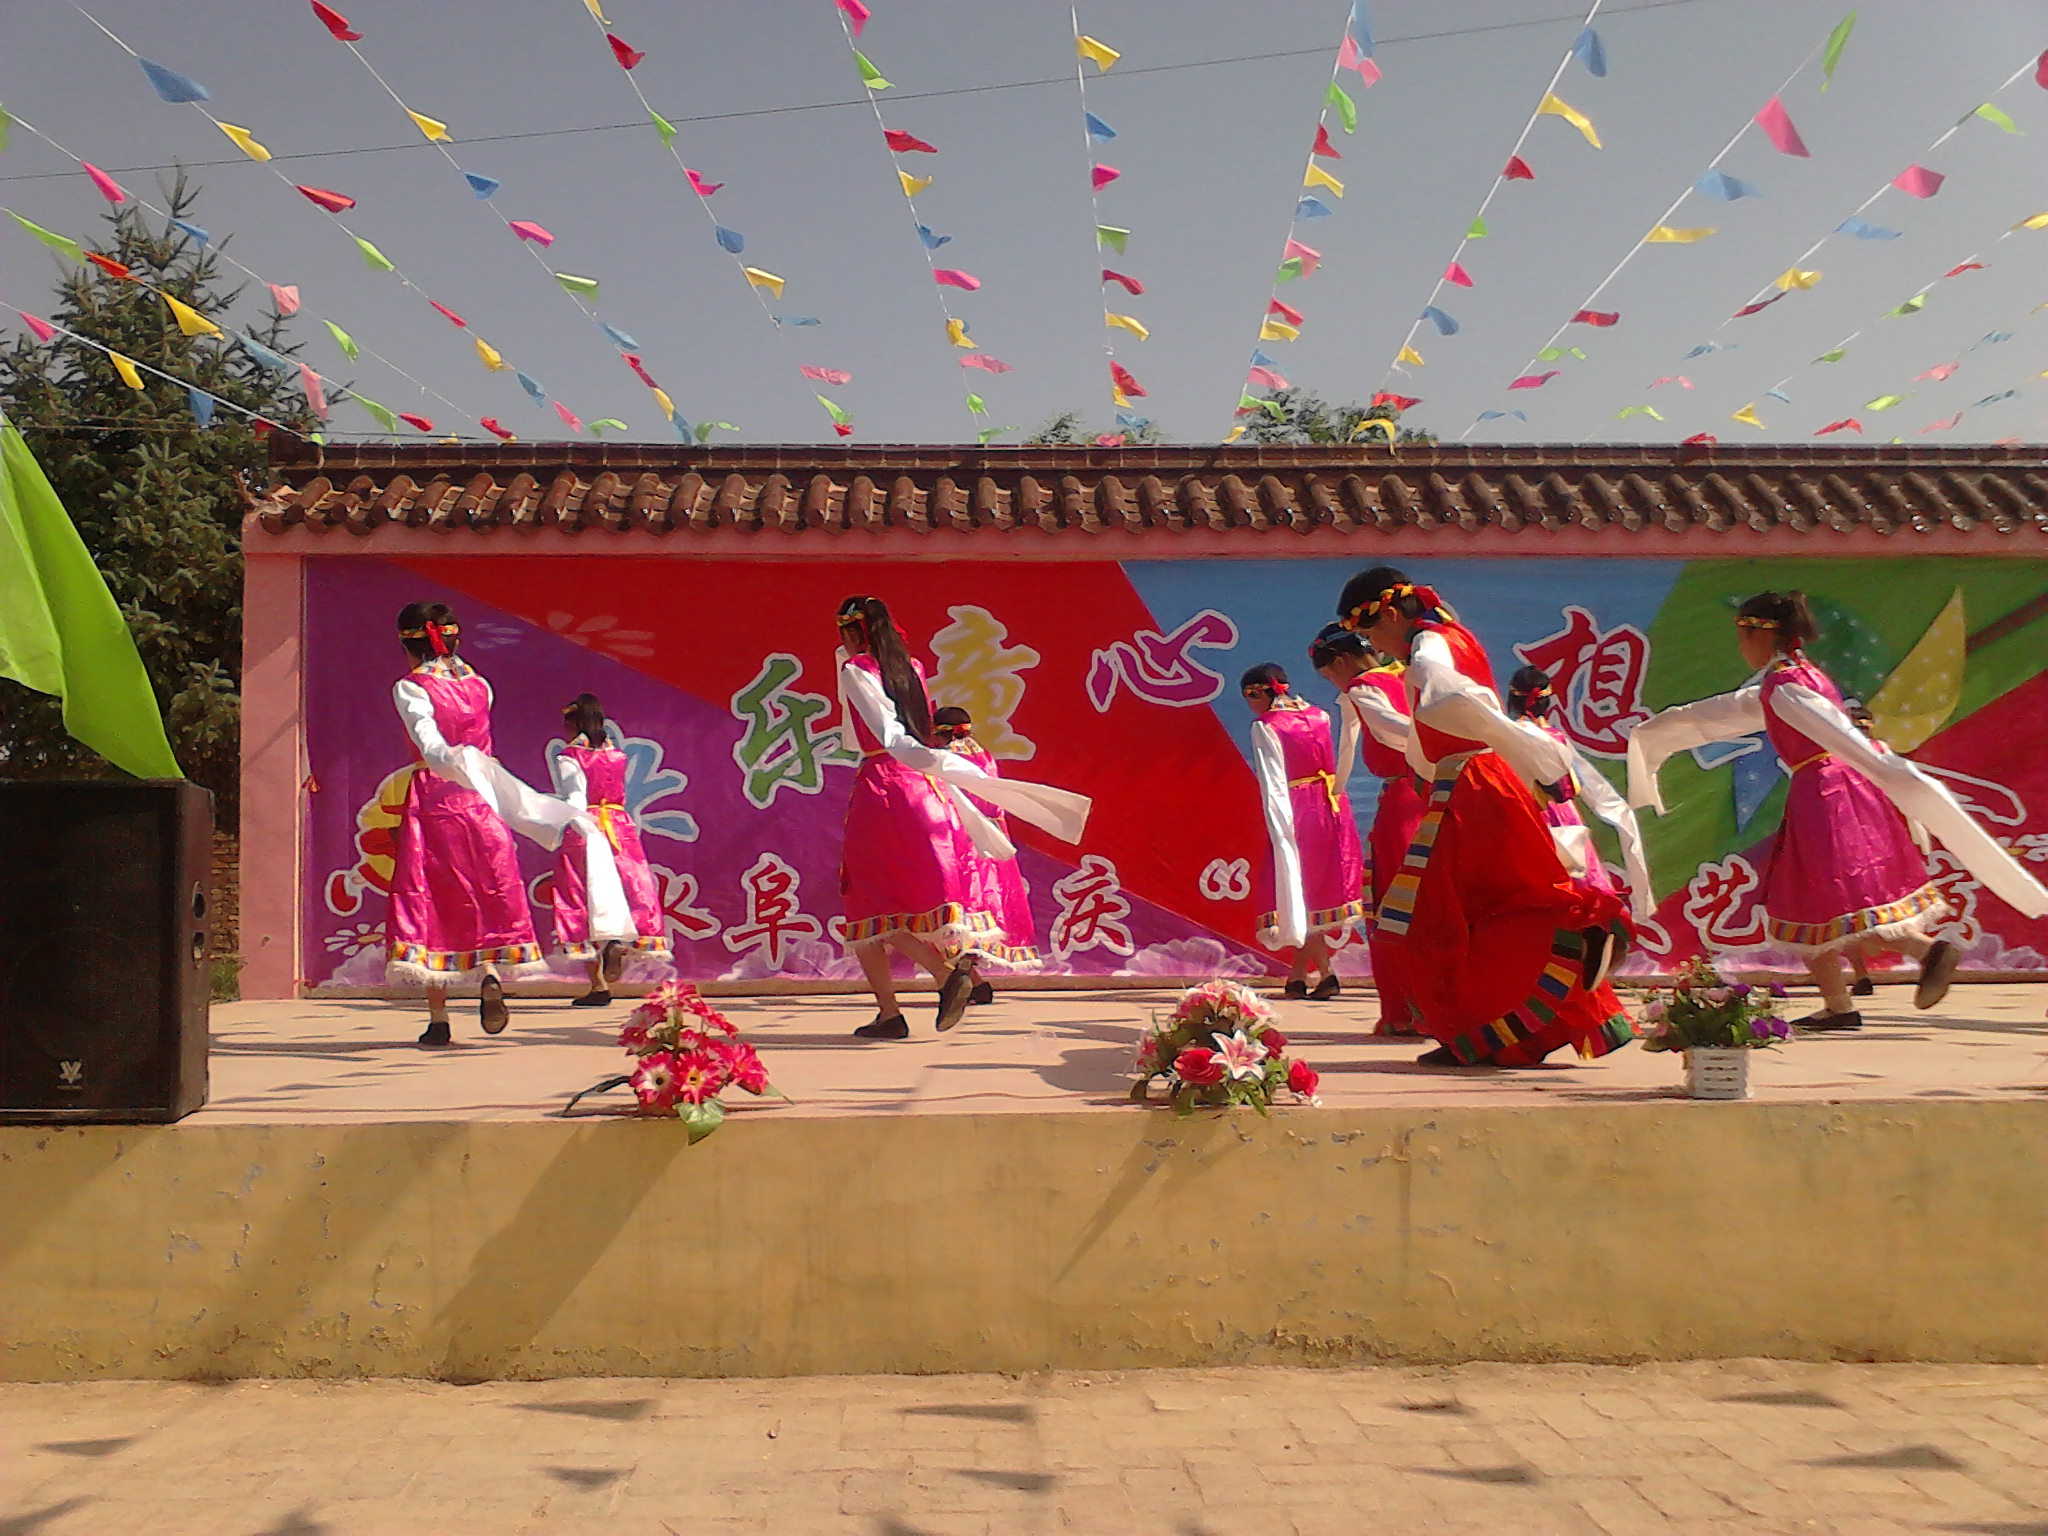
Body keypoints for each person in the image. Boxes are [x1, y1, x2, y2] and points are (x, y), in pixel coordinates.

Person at [1625, 590, 2048, 1031]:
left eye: (1743, 637)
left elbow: (1835, 733)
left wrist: (1888, 770)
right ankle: (1868, 987)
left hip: (1826, 796)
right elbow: (1726, 712)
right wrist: (1660, 732)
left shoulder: (1787, 686)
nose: (1741, 647)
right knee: (1823, 904)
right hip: (1836, 790)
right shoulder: (1798, 678)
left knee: (1811, 902)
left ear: (1761, 636)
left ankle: (1903, 966)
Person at [1335, 567, 1637, 1068]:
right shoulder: (1452, 637)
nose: (1376, 647)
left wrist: (1525, 748)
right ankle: (1507, 1034)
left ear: (1388, 615)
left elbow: (1451, 697)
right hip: (1474, 782)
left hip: (1474, 787)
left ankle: (1572, 938)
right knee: (1483, 909)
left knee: (1451, 916)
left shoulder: (1430, 645)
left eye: (1369, 633)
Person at [834, 596, 1091, 1039]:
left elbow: (889, 733)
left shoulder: (857, 669)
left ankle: (922, 990)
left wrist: (924, 757)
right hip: (926, 787)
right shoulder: (912, 667)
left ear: (852, 631)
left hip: (887, 786)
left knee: (864, 901)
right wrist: (936, 762)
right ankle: (911, 998)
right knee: (889, 905)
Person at [387, 602, 626, 1047]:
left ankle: (438, 1019)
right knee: (488, 889)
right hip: (486, 796)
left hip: (437, 797)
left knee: (432, 896)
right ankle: (490, 976)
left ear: (407, 644)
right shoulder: (480, 685)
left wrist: (451, 761)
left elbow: (429, 743)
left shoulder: (410, 688)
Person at [1310, 622, 1426, 1034]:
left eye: (1330, 675)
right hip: (1432, 789)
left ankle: (1406, 1009)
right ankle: (1430, 1005)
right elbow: (1352, 740)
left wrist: (1335, 794)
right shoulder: (1406, 674)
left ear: (1342, 662)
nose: (1334, 683)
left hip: (1404, 801)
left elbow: (1388, 730)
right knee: (1429, 893)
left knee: (1397, 899)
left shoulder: (1362, 687)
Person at [1240, 663, 1367, 1001]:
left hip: (1296, 808)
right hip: (1331, 803)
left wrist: (1278, 827)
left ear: (1257, 693)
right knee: (1313, 891)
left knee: (1297, 886)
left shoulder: (1266, 726)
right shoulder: (1319, 716)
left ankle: (1325, 972)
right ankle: (1299, 975)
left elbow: (1272, 781)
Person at [548, 693, 673, 1006]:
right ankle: (616, 941)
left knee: (583, 899)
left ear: (572, 724)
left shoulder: (570, 757)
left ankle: (598, 984)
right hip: (619, 826)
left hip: (587, 826)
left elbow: (576, 798)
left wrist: (555, 820)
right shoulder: (616, 755)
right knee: (622, 892)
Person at [1504, 665, 1651, 908]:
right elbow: (1569, 788)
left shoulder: (1504, 735)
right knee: (1579, 887)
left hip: (1521, 816)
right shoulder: (1553, 737)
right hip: (1560, 814)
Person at [933, 704, 1039, 999]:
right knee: (980, 911)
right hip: (990, 845)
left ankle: (967, 977)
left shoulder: (944, 759)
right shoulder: (983, 755)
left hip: (962, 844)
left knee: (956, 910)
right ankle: (973, 981)